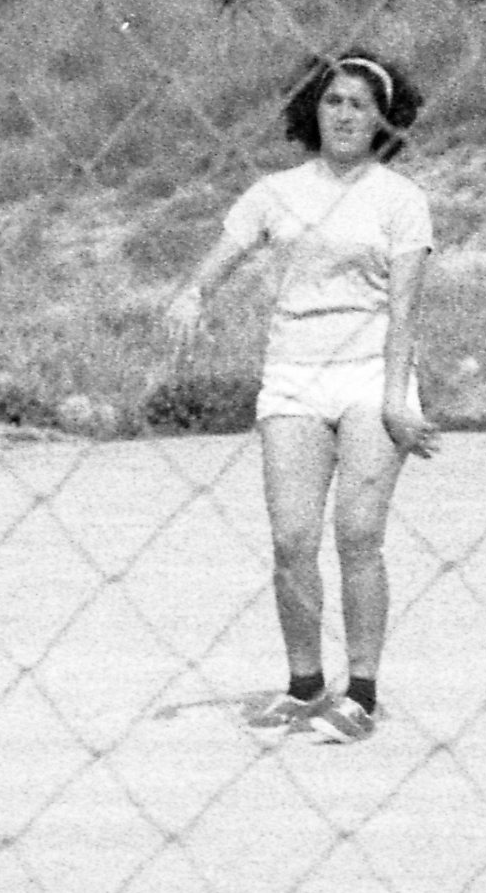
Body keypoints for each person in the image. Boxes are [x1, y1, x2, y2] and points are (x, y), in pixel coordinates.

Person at [162, 51, 441, 742]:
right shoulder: (274, 192)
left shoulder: (400, 199)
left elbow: (405, 311)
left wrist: (398, 398)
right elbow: (218, 261)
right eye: (334, 102)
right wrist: (192, 296)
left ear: (384, 116)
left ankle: (363, 692)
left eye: (360, 104)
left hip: (371, 374)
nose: (347, 115)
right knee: (291, 537)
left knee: (358, 533)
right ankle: (304, 684)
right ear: (312, 111)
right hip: (293, 376)